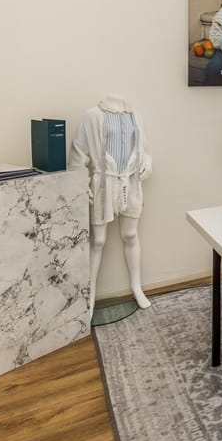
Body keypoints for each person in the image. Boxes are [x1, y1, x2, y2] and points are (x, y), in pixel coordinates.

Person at [69, 94, 153, 318]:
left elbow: (142, 149)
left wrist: (146, 164)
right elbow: (78, 152)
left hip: (130, 182)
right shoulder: (92, 116)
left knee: (130, 235)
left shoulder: (135, 115)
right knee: (98, 240)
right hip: (103, 183)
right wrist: (80, 182)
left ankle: (136, 287)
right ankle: (89, 295)